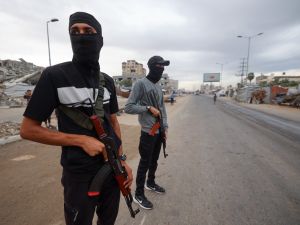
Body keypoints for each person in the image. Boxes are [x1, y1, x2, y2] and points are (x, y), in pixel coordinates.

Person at [20, 12, 133, 225]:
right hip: (79, 175)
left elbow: (113, 122)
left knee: (108, 220)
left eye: (88, 31)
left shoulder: (106, 81)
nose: (81, 36)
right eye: (75, 31)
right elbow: (28, 130)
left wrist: (122, 161)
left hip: (111, 168)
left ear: (99, 39)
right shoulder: (54, 76)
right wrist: (80, 140)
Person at [125, 55, 169, 210]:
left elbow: (162, 108)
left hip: (159, 131)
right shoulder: (140, 84)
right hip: (147, 132)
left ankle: (150, 183)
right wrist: (147, 108)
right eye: (159, 66)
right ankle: (138, 194)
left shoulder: (158, 85)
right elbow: (128, 107)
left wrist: (165, 127)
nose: (162, 69)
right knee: (144, 163)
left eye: (164, 66)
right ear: (151, 66)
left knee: (154, 160)